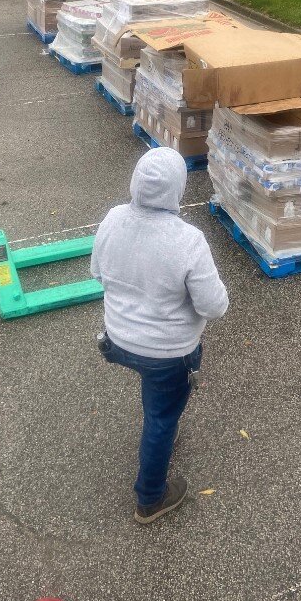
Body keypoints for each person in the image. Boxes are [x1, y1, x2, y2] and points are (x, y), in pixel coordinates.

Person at [91, 147, 229, 524]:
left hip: (117, 341)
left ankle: (163, 419)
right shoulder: (188, 240)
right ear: (178, 189)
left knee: (157, 396)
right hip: (168, 353)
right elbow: (214, 307)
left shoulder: (113, 219)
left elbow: (98, 275)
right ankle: (150, 499)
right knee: (162, 415)